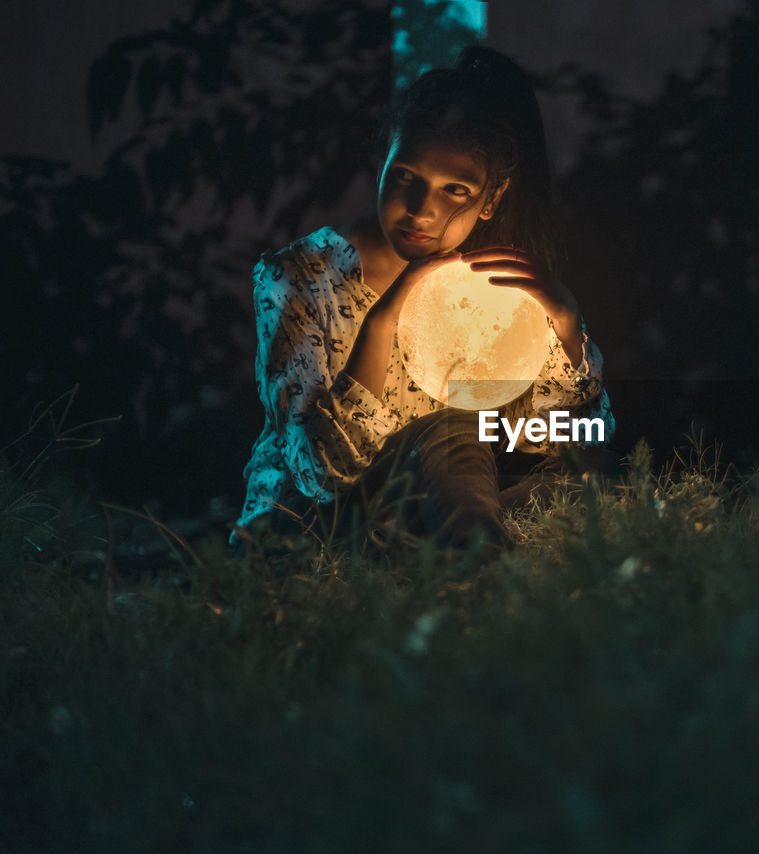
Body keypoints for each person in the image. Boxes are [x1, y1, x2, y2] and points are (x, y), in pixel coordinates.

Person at [231, 46, 615, 552]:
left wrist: (564, 323)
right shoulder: (300, 278)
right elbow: (318, 473)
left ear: (491, 199)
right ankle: (484, 555)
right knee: (453, 428)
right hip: (315, 525)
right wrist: (383, 319)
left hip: (427, 509)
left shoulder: (489, 289)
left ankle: (471, 538)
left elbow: (578, 437)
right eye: (406, 177)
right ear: (383, 162)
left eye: (456, 190)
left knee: (578, 473)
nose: (421, 210)